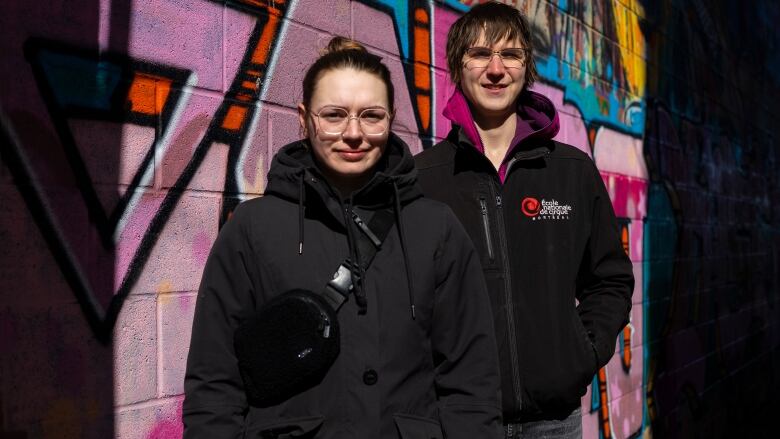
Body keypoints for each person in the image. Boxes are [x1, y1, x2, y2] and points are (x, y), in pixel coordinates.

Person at [182, 36, 503, 438]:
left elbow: (471, 383)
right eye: (334, 115)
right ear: (304, 118)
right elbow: (215, 383)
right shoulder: (252, 229)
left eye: (371, 116)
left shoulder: (435, 229)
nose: (353, 133)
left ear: (391, 118)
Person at [414, 2, 634, 438]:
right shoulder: (424, 179)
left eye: (510, 55)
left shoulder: (571, 171)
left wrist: (582, 354)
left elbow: (610, 278)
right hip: (459, 420)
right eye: (480, 54)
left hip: (554, 420)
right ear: (458, 66)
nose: (496, 69)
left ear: (526, 67)